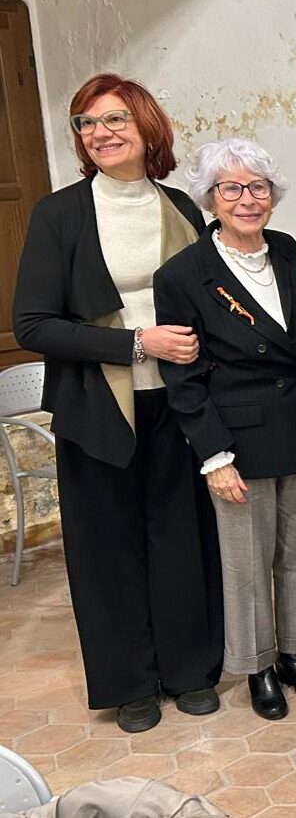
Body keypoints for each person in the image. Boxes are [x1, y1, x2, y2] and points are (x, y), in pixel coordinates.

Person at [12, 74, 222, 733]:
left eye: (113, 119)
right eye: (85, 123)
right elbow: (33, 325)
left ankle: (190, 670)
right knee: (108, 550)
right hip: (97, 408)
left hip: (179, 405)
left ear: (146, 126)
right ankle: (130, 682)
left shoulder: (181, 207)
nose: (99, 133)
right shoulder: (59, 214)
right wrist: (136, 343)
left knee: (181, 539)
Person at [153, 139, 296, 721]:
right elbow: (183, 378)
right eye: (231, 188)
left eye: (258, 187)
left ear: (273, 196)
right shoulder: (182, 275)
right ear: (210, 199)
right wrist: (214, 456)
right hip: (237, 440)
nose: (247, 199)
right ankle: (258, 667)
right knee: (246, 564)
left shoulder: (288, 251)